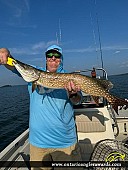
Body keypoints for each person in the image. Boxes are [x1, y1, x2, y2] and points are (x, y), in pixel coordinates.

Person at [0, 45, 83, 170]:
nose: (53, 58)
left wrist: (73, 93)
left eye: (56, 56)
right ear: (46, 59)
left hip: (65, 142)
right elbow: (14, 64)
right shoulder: (34, 74)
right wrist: (6, 54)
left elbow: (77, 101)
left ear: (61, 59)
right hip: (38, 143)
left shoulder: (69, 77)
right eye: (49, 55)